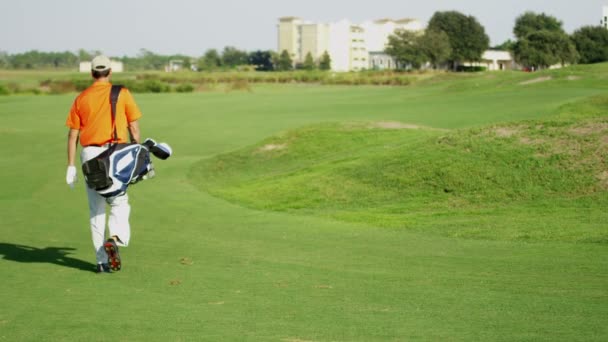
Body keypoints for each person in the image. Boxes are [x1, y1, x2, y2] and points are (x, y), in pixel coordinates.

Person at [65, 55, 142, 274]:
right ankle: (115, 239)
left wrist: (70, 166)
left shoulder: (81, 98)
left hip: (89, 156)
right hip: (115, 155)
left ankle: (100, 262)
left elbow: (73, 136)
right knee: (119, 203)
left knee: (96, 209)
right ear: (109, 72)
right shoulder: (123, 93)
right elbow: (134, 130)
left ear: (92, 73)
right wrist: (137, 153)